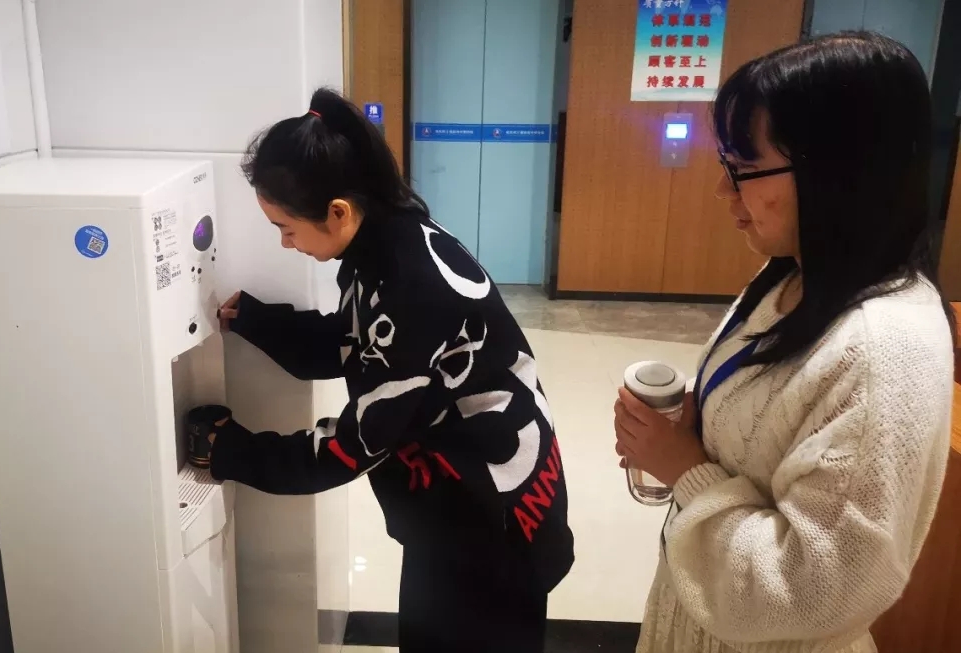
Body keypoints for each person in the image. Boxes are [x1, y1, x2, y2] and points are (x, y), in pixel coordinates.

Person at [614, 32, 955, 653]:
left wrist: (686, 470)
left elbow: (815, 590)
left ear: (841, 171)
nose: (724, 192)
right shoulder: (796, 276)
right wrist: (692, 430)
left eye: (744, 170)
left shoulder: (884, 351)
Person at [207, 88, 574, 653]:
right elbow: (358, 343)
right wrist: (259, 322)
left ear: (337, 211)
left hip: (496, 526)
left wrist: (231, 451)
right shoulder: (386, 240)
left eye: (286, 227)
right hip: (458, 507)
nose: (284, 243)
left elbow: (349, 449)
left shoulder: (408, 285)